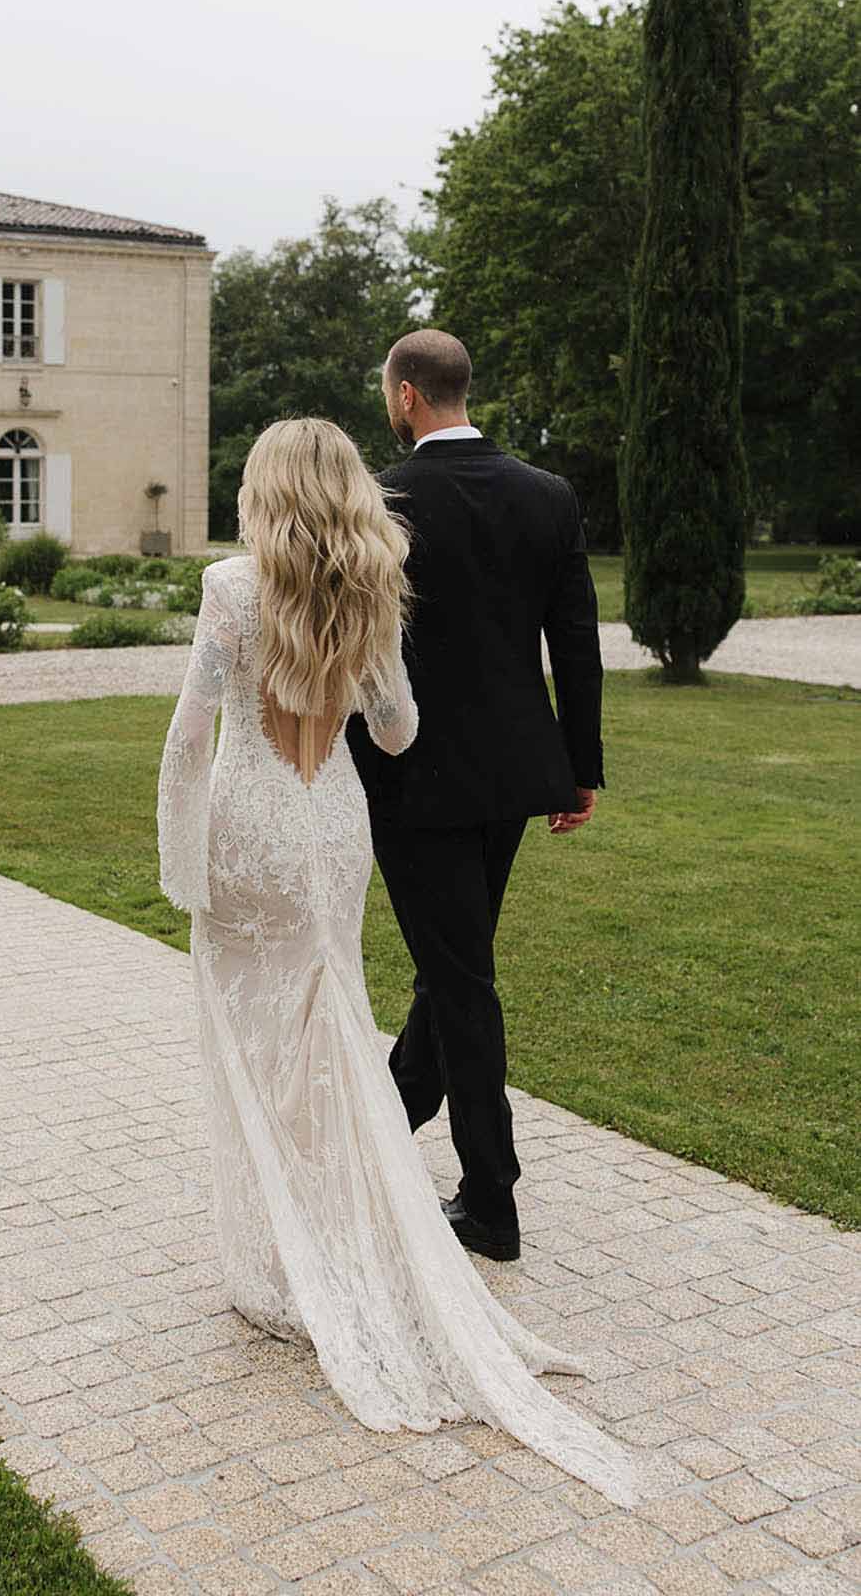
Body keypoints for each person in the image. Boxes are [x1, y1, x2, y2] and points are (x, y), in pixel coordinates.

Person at [157, 418, 635, 1505]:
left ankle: (284, 1255)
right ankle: (340, 1223)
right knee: (333, 1017)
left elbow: (192, 733)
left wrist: (179, 853)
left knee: (255, 1036)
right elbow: (399, 730)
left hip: (245, 823)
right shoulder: (374, 587)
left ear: (263, 490)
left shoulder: (230, 587)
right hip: (328, 830)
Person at [347, 330, 604, 1265]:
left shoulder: (379, 500)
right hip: (515, 774)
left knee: (458, 977)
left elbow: (355, 651)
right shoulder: (549, 494)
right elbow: (575, 641)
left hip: (413, 778)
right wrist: (581, 764)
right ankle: (388, 1116)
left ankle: (491, 1203)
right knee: (452, 962)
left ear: (407, 394)